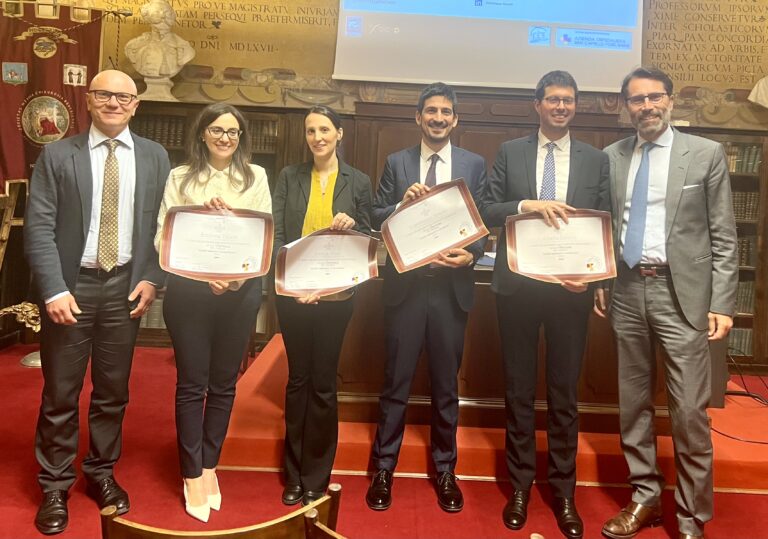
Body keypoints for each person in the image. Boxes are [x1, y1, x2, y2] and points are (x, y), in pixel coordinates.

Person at [24, 69, 170, 535]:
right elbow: (40, 227)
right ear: (88, 100)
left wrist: (152, 278)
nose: (113, 102)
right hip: (72, 287)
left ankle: (102, 474)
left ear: (135, 105)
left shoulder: (154, 156)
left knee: (112, 392)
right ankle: (54, 485)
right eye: (104, 94)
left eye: (123, 97)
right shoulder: (57, 154)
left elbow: (163, 229)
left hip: (124, 289)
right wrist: (53, 288)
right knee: (61, 393)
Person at [595, 67, 738, 539]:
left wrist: (722, 302)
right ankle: (644, 498)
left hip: (685, 294)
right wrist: (601, 279)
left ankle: (692, 514)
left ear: (671, 101)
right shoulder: (612, 157)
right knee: (633, 403)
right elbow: (605, 227)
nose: (647, 106)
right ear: (625, 107)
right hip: (628, 290)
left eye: (655, 97)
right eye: (637, 100)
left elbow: (724, 235)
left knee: (689, 410)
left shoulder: (705, 154)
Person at [481, 70, 610, 538]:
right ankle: (519, 485)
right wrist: (526, 205)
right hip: (517, 288)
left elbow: (604, 223)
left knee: (563, 395)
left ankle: (563, 490)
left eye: (568, 101)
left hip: (570, 293)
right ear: (536, 105)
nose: (561, 107)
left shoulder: (595, 160)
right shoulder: (511, 152)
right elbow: (488, 208)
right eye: (553, 100)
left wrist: (595, 279)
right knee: (517, 392)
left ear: (575, 107)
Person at [366, 82, 487, 513]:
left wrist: (469, 256)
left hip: (450, 292)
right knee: (395, 383)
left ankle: (446, 470)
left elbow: (483, 222)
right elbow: (375, 216)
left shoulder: (473, 165)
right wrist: (399, 203)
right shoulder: (397, 163)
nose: (438, 117)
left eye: (445, 112)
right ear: (418, 117)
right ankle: (383, 468)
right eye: (430, 111)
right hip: (407, 290)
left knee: (444, 387)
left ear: (455, 120)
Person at [154, 104, 272, 523]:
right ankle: (190, 472)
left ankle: (208, 463)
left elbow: (263, 235)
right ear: (202, 134)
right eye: (218, 130)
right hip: (188, 293)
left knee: (224, 384)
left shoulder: (255, 177)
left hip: (239, 294)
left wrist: (232, 280)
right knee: (192, 383)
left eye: (234, 132)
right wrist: (203, 271)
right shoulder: (179, 178)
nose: (226, 138)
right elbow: (162, 237)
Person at [272, 105, 372, 507]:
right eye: (311, 130)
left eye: (325, 129)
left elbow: (369, 235)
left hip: (337, 297)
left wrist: (354, 224)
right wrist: (291, 284)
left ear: (339, 134)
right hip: (294, 295)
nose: (317, 137)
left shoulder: (359, 180)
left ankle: (317, 474)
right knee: (298, 381)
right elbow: (278, 234)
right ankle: (293, 473)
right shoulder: (288, 176)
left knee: (324, 384)